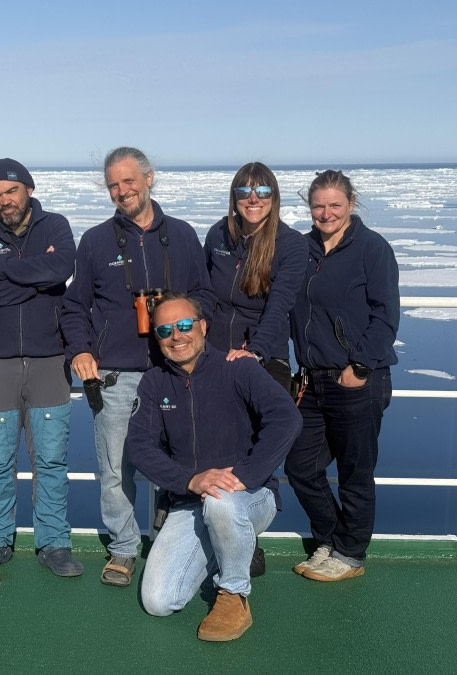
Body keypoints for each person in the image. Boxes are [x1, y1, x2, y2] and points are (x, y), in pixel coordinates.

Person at [60, 147, 214, 586]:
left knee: (180, 460)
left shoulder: (182, 235)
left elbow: (205, 297)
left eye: (129, 181)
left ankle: (172, 541)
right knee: (116, 467)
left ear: (149, 178)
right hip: (116, 374)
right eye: (113, 185)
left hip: (175, 371)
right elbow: (74, 306)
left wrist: (179, 320)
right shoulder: (96, 241)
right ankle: (124, 548)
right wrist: (81, 351)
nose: (122, 191)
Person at [128, 293, 301, 641]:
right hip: (190, 501)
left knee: (221, 502)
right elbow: (140, 446)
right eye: (164, 330)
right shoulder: (154, 383)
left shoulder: (238, 368)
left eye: (184, 325)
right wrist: (190, 480)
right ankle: (229, 548)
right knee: (158, 602)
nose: (176, 336)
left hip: (248, 495)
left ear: (203, 326)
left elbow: (286, 419)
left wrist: (245, 475)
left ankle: (234, 595)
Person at [0, 159, 81, 577]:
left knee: (51, 459)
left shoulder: (55, 226)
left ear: (28, 189)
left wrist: (1, 271)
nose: (3, 200)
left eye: (10, 191)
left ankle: (54, 542)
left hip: (50, 359)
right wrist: (36, 285)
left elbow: (61, 268)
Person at [285, 170, 399, 582]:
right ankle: (331, 539)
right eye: (318, 206)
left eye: (335, 204)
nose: (326, 213)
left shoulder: (372, 248)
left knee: (355, 471)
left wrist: (360, 366)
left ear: (351, 203)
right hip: (312, 380)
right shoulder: (301, 249)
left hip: (357, 380)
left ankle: (349, 555)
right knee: (300, 466)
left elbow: (386, 315)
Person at [203, 162, 307, 391]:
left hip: (264, 356)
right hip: (214, 352)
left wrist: (256, 351)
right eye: (244, 192)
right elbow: (203, 290)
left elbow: (279, 305)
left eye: (262, 191)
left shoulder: (290, 244)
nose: (253, 199)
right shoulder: (219, 234)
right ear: (234, 198)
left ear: (274, 197)